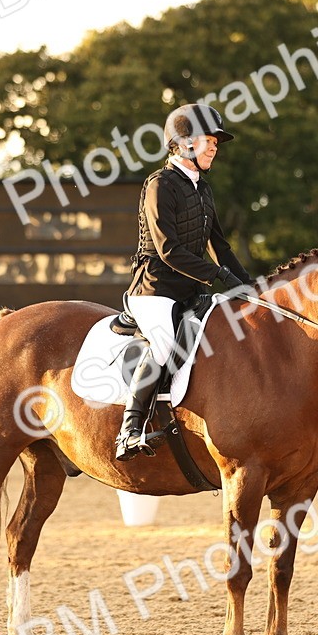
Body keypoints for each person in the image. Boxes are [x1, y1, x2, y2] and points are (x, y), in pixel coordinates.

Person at [114, 103, 253, 462]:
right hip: (155, 290)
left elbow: (219, 247)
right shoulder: (159, 185)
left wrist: (251, 288)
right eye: (207, 140)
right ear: (182, 143)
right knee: (162, 346)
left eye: (215, 142)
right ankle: (129, 430)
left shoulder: (202, 189)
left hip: (192, 292)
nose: (213, 148)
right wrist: (219, 277)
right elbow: (169, 249)